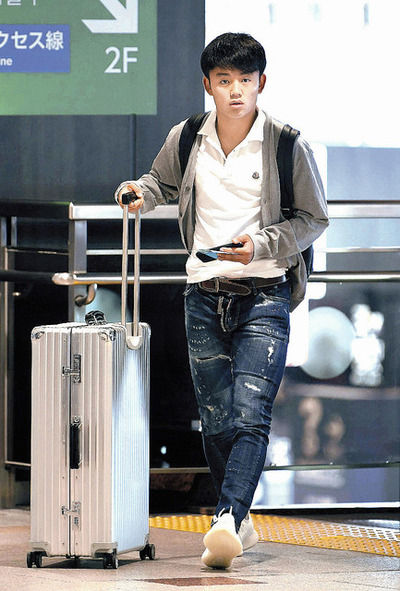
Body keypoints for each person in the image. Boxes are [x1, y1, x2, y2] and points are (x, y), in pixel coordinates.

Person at [115, 32, 329, 569]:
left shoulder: (286, 143)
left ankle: (227, 519)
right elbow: (160, 182)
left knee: (251, 412)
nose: (236, 91)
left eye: (245, 80)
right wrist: (139, 193)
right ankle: (241, 520)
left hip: (264, 292)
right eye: (225, 80)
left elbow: (313, 218)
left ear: (262, 83)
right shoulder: (188, 136)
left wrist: (259, 245)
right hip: (203, 294)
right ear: (208, 84)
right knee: (215, 420)